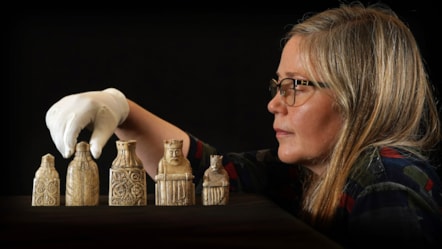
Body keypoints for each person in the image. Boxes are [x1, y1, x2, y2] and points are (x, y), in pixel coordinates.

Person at [45, 2, 442, 248]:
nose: (274, 104)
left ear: (361, 96)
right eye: (278, 85)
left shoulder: (387, 183)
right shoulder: (305, 174)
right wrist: (122, 108)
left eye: (296, 86)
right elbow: (202, 174)